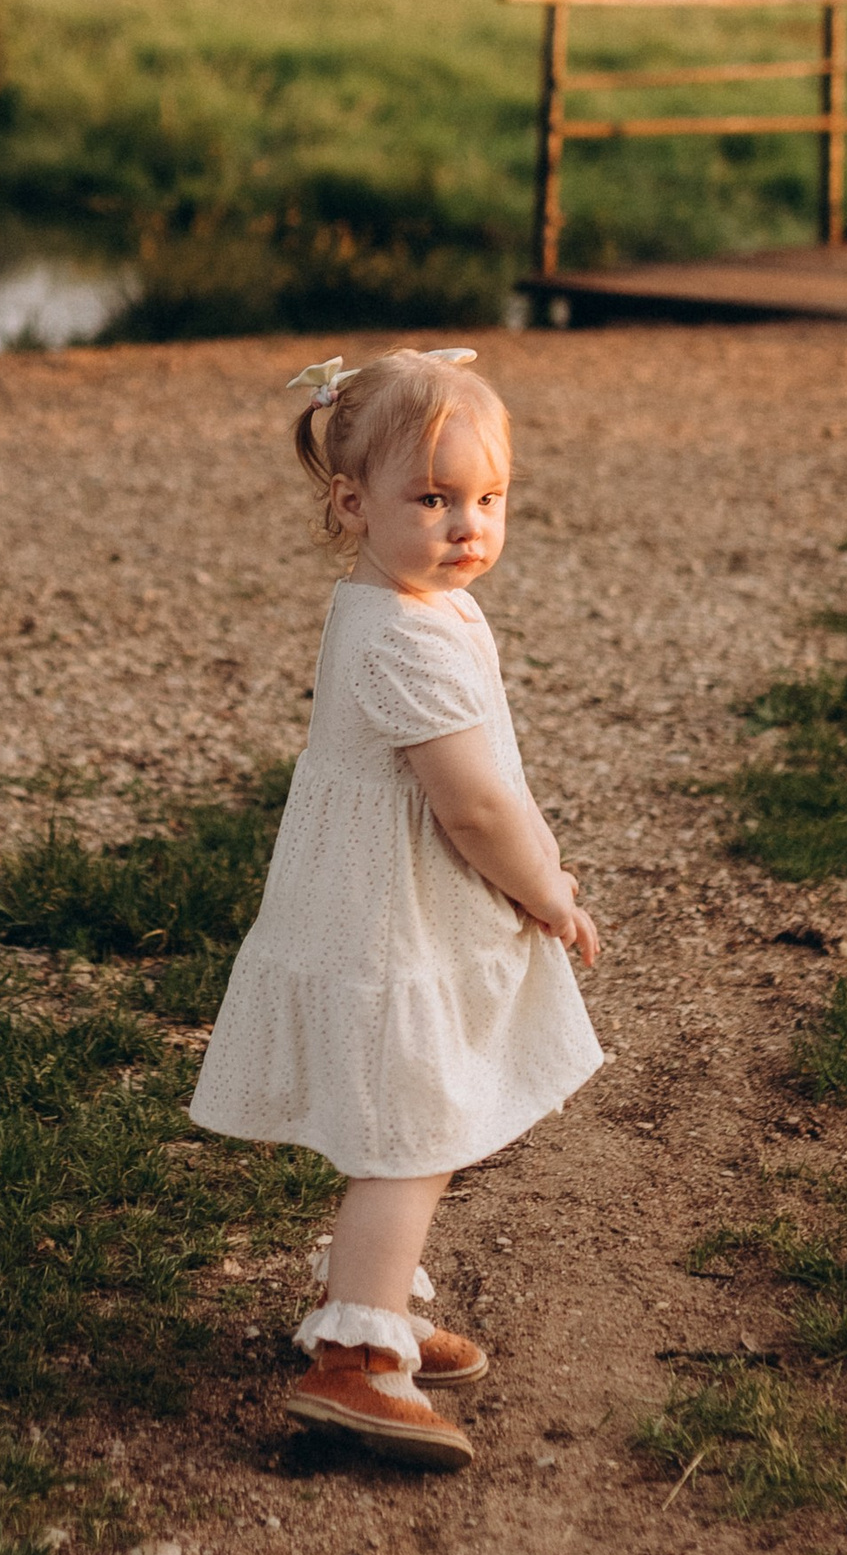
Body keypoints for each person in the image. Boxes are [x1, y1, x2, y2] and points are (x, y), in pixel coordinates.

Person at [189, 347, 603, 1469]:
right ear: (350, 502)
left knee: (408, 1123)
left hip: (391, 913)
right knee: (412, 1132)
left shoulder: (406, 602)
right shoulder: (406, 639)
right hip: (391, 928)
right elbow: (471, 806)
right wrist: (546, 890)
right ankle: (356, 1360)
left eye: (487, 499)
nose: (467, 526)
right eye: (432, 500)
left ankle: (369, 1302)